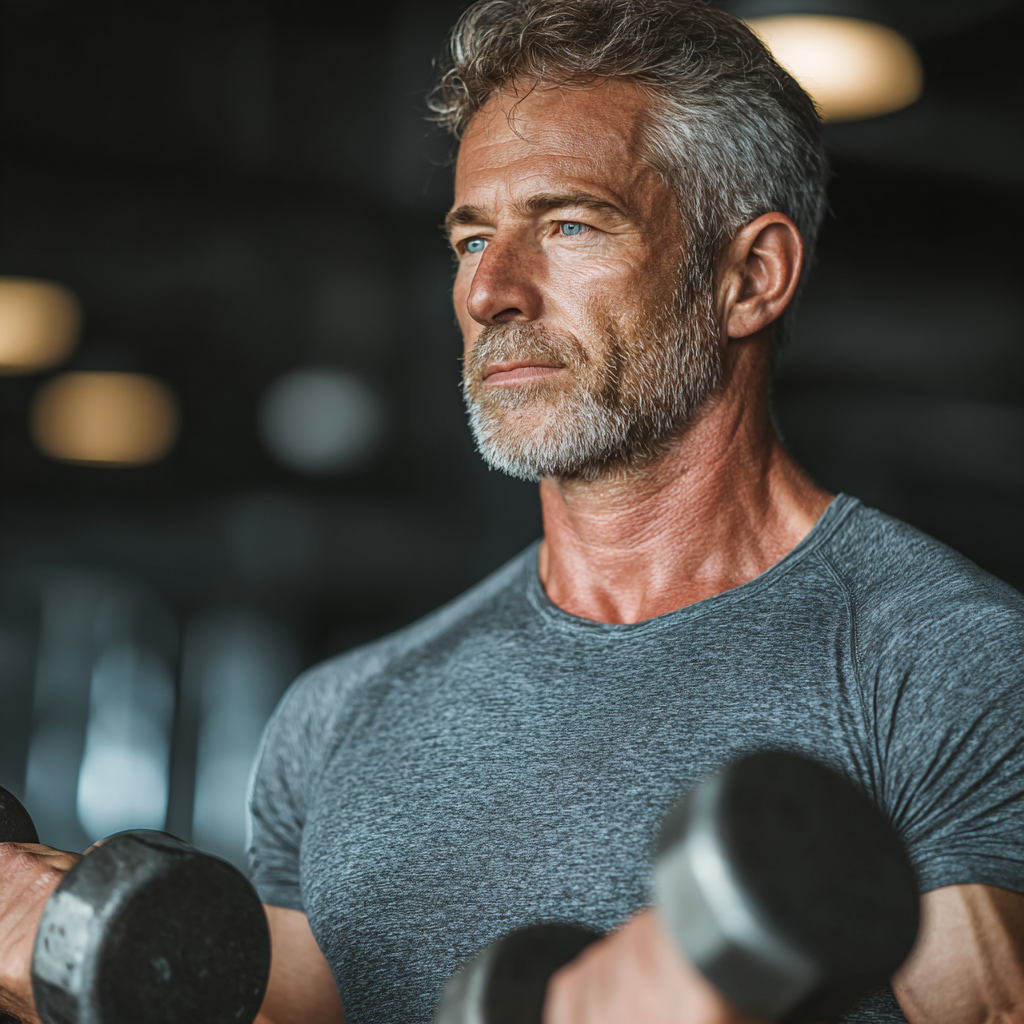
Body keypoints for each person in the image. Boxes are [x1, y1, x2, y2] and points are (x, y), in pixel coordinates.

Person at [0, 2, 1020, 1024]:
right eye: (470, 237)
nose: (490, 289)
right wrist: (78, 956)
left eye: (568, 223)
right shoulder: (342, 710)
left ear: (748, 276)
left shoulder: (942, 662)